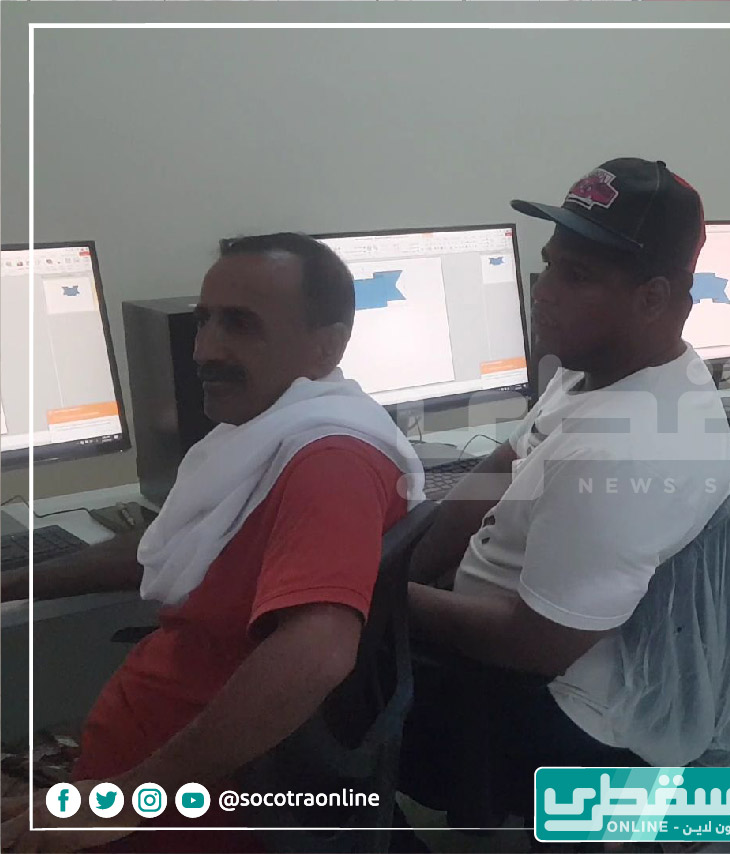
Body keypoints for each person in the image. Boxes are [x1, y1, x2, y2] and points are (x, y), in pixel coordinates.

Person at [0, 233, 424, 853]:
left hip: (183, 809)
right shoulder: (264, 434)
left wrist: (123, 801)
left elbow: (318, 652)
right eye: (205, 321)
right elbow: (169, 542)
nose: (204, 349)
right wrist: (15, 582)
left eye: (241, 325)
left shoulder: (329, 463)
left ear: (326, 345)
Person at [399, 159, 730, 827]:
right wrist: (404, 566)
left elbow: (535, 646)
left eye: (576, 276)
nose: (544, 292)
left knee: (303, 671)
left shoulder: (623, 449)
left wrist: (382, 596)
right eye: (550, 265)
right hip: (540, 649)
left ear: (652, 298)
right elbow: (501, 466)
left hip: (549, 703)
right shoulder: (606, 367)